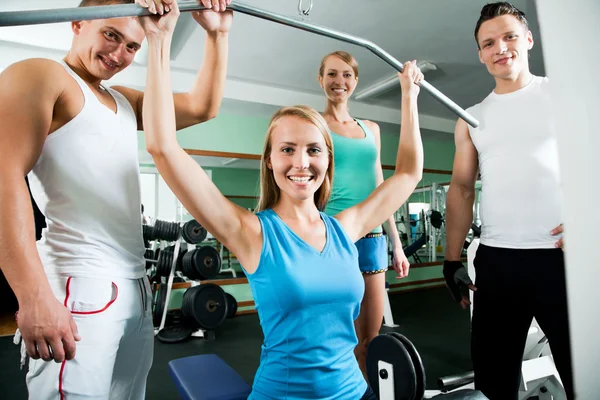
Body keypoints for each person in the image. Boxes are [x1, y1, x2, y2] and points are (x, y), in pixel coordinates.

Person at [141, 5, 424, 395]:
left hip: (354, 392)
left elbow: (408, 174)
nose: (301, 163)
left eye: (313, 150)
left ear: (328, 158)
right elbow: (162, 147)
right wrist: (158, 41)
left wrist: (409, 94)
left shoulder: (346, 229)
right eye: (287, 149)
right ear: (270, 160)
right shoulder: (251, 232)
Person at [0, 0, 232, 398]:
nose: (118, 54)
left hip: (135, 289)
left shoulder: (122, 101)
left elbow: (202, 106)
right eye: (111, 35)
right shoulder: (42, 75)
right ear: (76, 23)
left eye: (131, 46)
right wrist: (33, 295)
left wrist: (218, 33)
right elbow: (3, 177)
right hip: (79, 282)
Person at [442, 2, 573, 399]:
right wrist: (450, 261)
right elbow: (462, 189)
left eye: (509, 36)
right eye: (489, 43)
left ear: (528, 39)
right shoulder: (472, 117)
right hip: (498, 262)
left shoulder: (566, 95)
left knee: (584, 375)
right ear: (481, 54)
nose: (501, 47)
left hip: (561, 258)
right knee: (493, 381)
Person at [317, 50, 410, 376]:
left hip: (371, 238)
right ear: (321, 79)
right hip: (331, 234)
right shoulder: (314, 125)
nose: (338, 81)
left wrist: (395, 243)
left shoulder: (371, 129)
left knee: (369, 340)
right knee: (331, 338)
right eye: (331, 74)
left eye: (346, 75)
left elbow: (380, 185)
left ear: (355, 82)